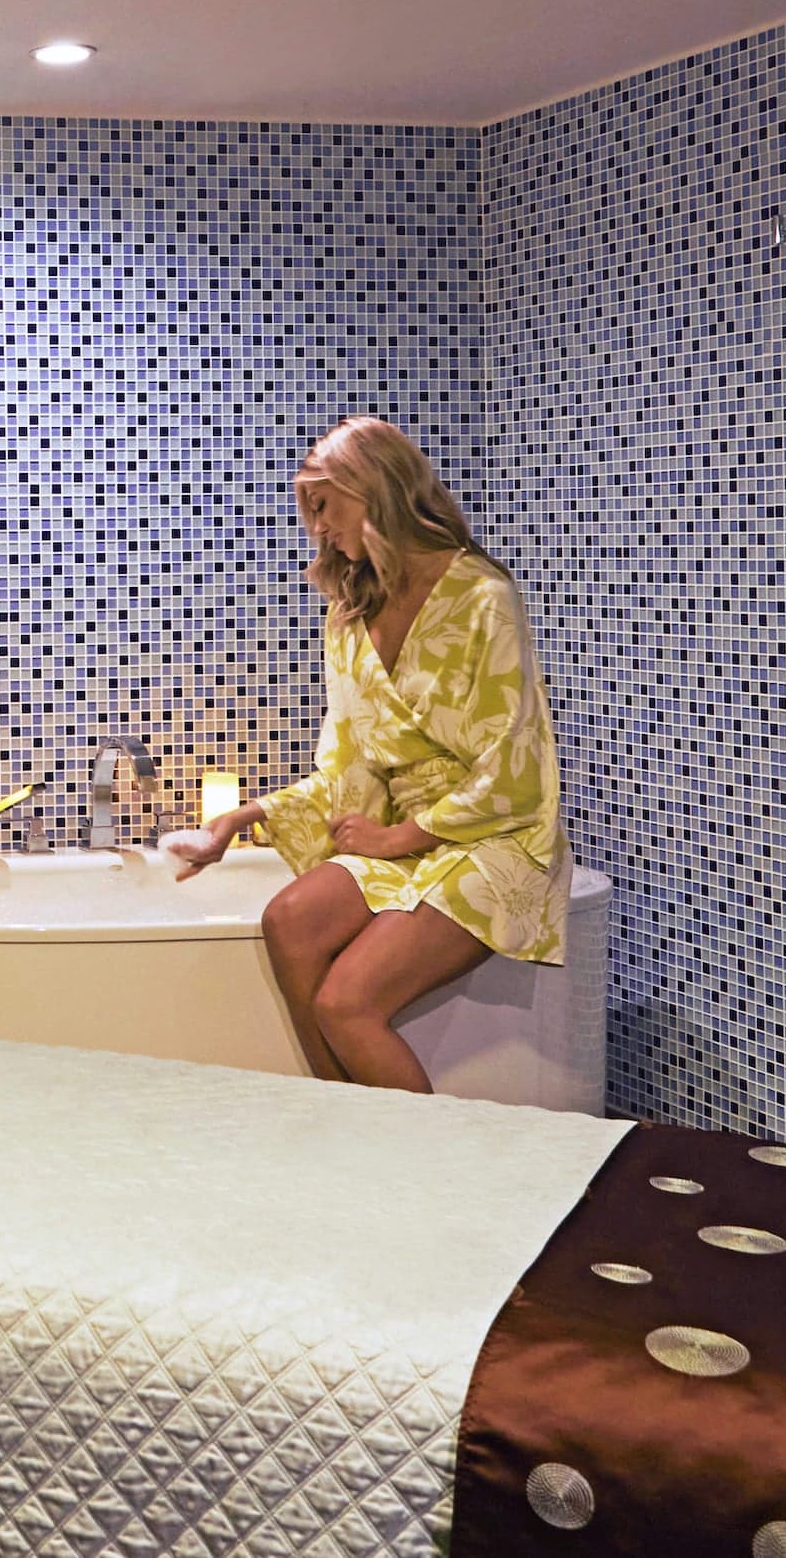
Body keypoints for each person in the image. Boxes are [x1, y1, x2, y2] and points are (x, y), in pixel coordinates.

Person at [166, 417, 570, 1091]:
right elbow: (348, 766)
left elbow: (513, 767)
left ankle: (418, 1177)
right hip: (405, 838)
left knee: (346, 1000)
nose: (316, 529)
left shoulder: (481, 599)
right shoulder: (351, 613)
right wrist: (244, 817)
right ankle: (354, 1132)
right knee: (287, 919)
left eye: (322, 505)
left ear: (372, 485)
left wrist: (398, 836)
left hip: (495, 836)